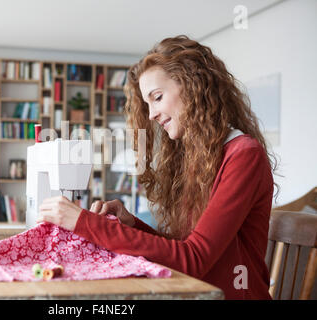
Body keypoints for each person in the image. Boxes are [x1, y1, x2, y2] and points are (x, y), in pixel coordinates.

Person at [37, 35, 278, 300]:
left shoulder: (244, 156)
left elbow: (193, 260)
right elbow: (185, 249)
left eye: (157, 97)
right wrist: (132, 225)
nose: (151, 114)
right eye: (147, 103)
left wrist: (82, 222)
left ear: (193, 87)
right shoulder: (201, 157)